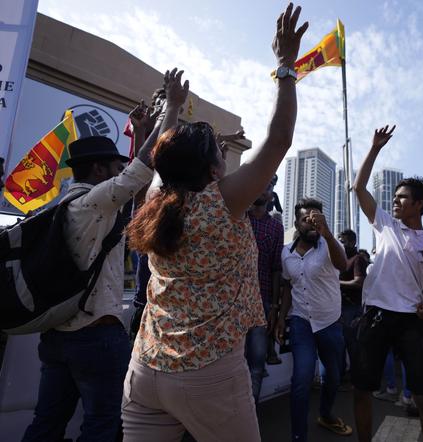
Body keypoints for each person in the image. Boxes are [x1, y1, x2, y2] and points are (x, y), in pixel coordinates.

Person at [122, 5, 308, 441]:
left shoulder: (154, 199)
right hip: (208, 376)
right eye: (220, 154)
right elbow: (279, 140)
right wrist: (285, 66)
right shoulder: (220, 204)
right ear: (212, 171)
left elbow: (153, 159)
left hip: (145, 368)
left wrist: (171, 108)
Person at [21, 73, 175, 441]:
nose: (118, 170)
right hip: (95, 340)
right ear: (97, 170)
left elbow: (133, 198)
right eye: (112, 165)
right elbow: (142, 170)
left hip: (58, 338)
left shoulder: (68, 203)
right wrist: (169, 109)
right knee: (103, 425)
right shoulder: (93, 202)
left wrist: (141, 129)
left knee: (46, 423)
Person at [352, 125, 423, 442]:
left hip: (409, 321)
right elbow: (359, 188)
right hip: (375, 315)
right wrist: (375, 148)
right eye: (394, 197)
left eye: (402, 198)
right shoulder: (385, 225)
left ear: (419, 204)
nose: (395, 201)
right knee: (363, 389)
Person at [276, 198, 352, 441]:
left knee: (333, 375)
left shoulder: (330, 244)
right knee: (301, 379)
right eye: (306, 219)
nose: (311, 223)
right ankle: (299, 436)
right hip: (301, 322)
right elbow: (288, 286)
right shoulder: (286, 252)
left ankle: (326, 414)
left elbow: (342, 265)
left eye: (316, 218)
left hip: (329, 322)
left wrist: (327, 233)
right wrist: (280, 318)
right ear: (297, 223)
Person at [246, 177, 284, 405]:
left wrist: (275, 307)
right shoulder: (239, 217)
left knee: (256, 366)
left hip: (262, 305)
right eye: (261, 182)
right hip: (232, 303)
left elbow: (276, 269)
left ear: (271, 195)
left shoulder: (276, 227)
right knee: (230, 364)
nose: (263, 188)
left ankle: (248, 418)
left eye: (268, 186)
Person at [337, 228, 368, 373]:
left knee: (351, 343)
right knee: (342, 343)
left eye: (344, 241)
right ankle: (344, 373)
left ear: (353, 242)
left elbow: (359, 282)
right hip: (340, 307)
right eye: (340, 241)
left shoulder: (357, 259)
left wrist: (336, 283)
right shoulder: (340, 258)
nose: (341, 244)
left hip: (351, 307)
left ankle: (356, 377)